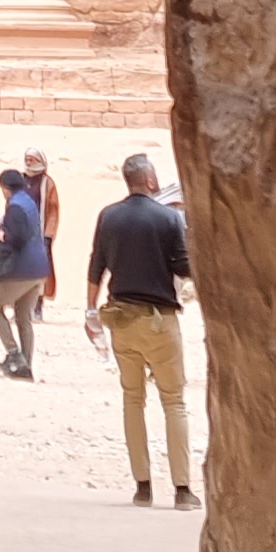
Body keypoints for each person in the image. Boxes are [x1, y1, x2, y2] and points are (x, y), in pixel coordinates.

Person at [83, 151, 195, 505]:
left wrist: (90, 311)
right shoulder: (168, 218)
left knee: (133, 400)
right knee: (173, 401)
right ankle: (182, 489)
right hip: (159, 319)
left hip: (120, 318)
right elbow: (183, 266)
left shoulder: (109, 217)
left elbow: (96, 266)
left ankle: (142, 486)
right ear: (149, 180)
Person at [0, 166, 50, 379]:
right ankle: (26, 365)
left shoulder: (15, 206)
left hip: (22, 268)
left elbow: (16, 239)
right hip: (39, 268)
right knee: (23, 316)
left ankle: (14, 354)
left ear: (5, 188)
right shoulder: (29, 201)